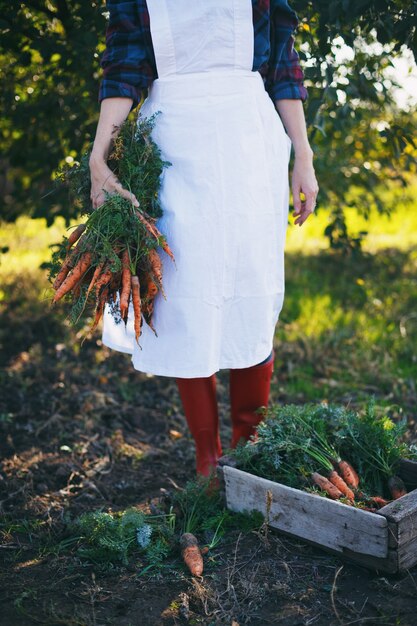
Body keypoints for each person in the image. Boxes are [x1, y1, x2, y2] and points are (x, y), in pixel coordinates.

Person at [89, 0, 319, 478]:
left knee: (250, 291)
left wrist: (304, 154)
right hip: (172, 144)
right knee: (185, 296)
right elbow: (124, 68)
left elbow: (283, 67)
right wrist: (100, 156)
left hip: (248, 142)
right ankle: (207, 458)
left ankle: (249, 453)